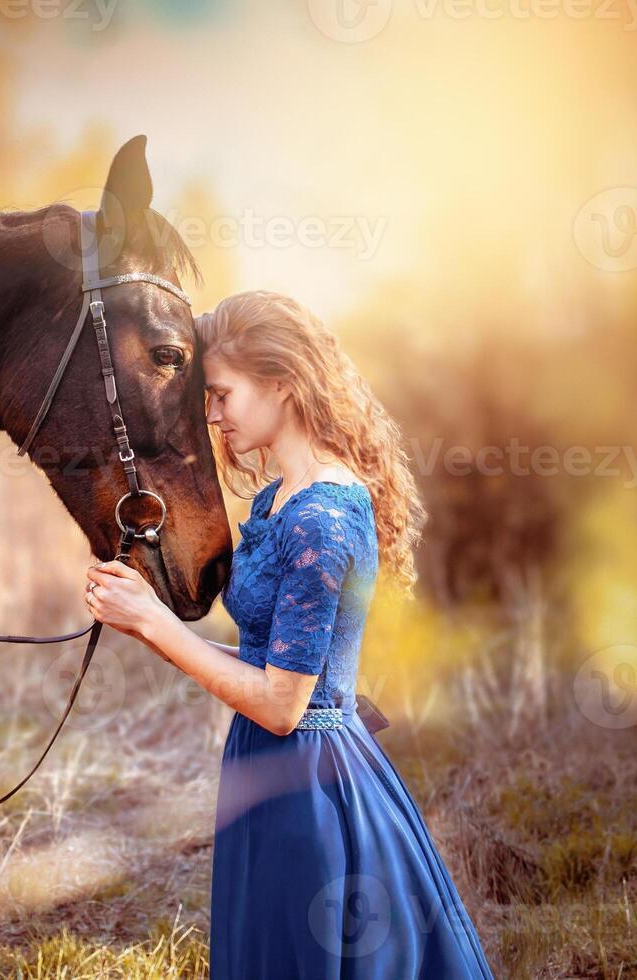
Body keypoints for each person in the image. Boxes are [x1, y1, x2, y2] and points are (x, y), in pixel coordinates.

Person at [85, 290, 494, 978]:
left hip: (311, 795)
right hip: (268, 772)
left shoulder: (322, 520)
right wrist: (145, 621)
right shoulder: (280, 498)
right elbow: (264, 665)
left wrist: (158, 623)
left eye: (220, 395)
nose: (211, 416)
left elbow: (283, 705)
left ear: (280, 383)